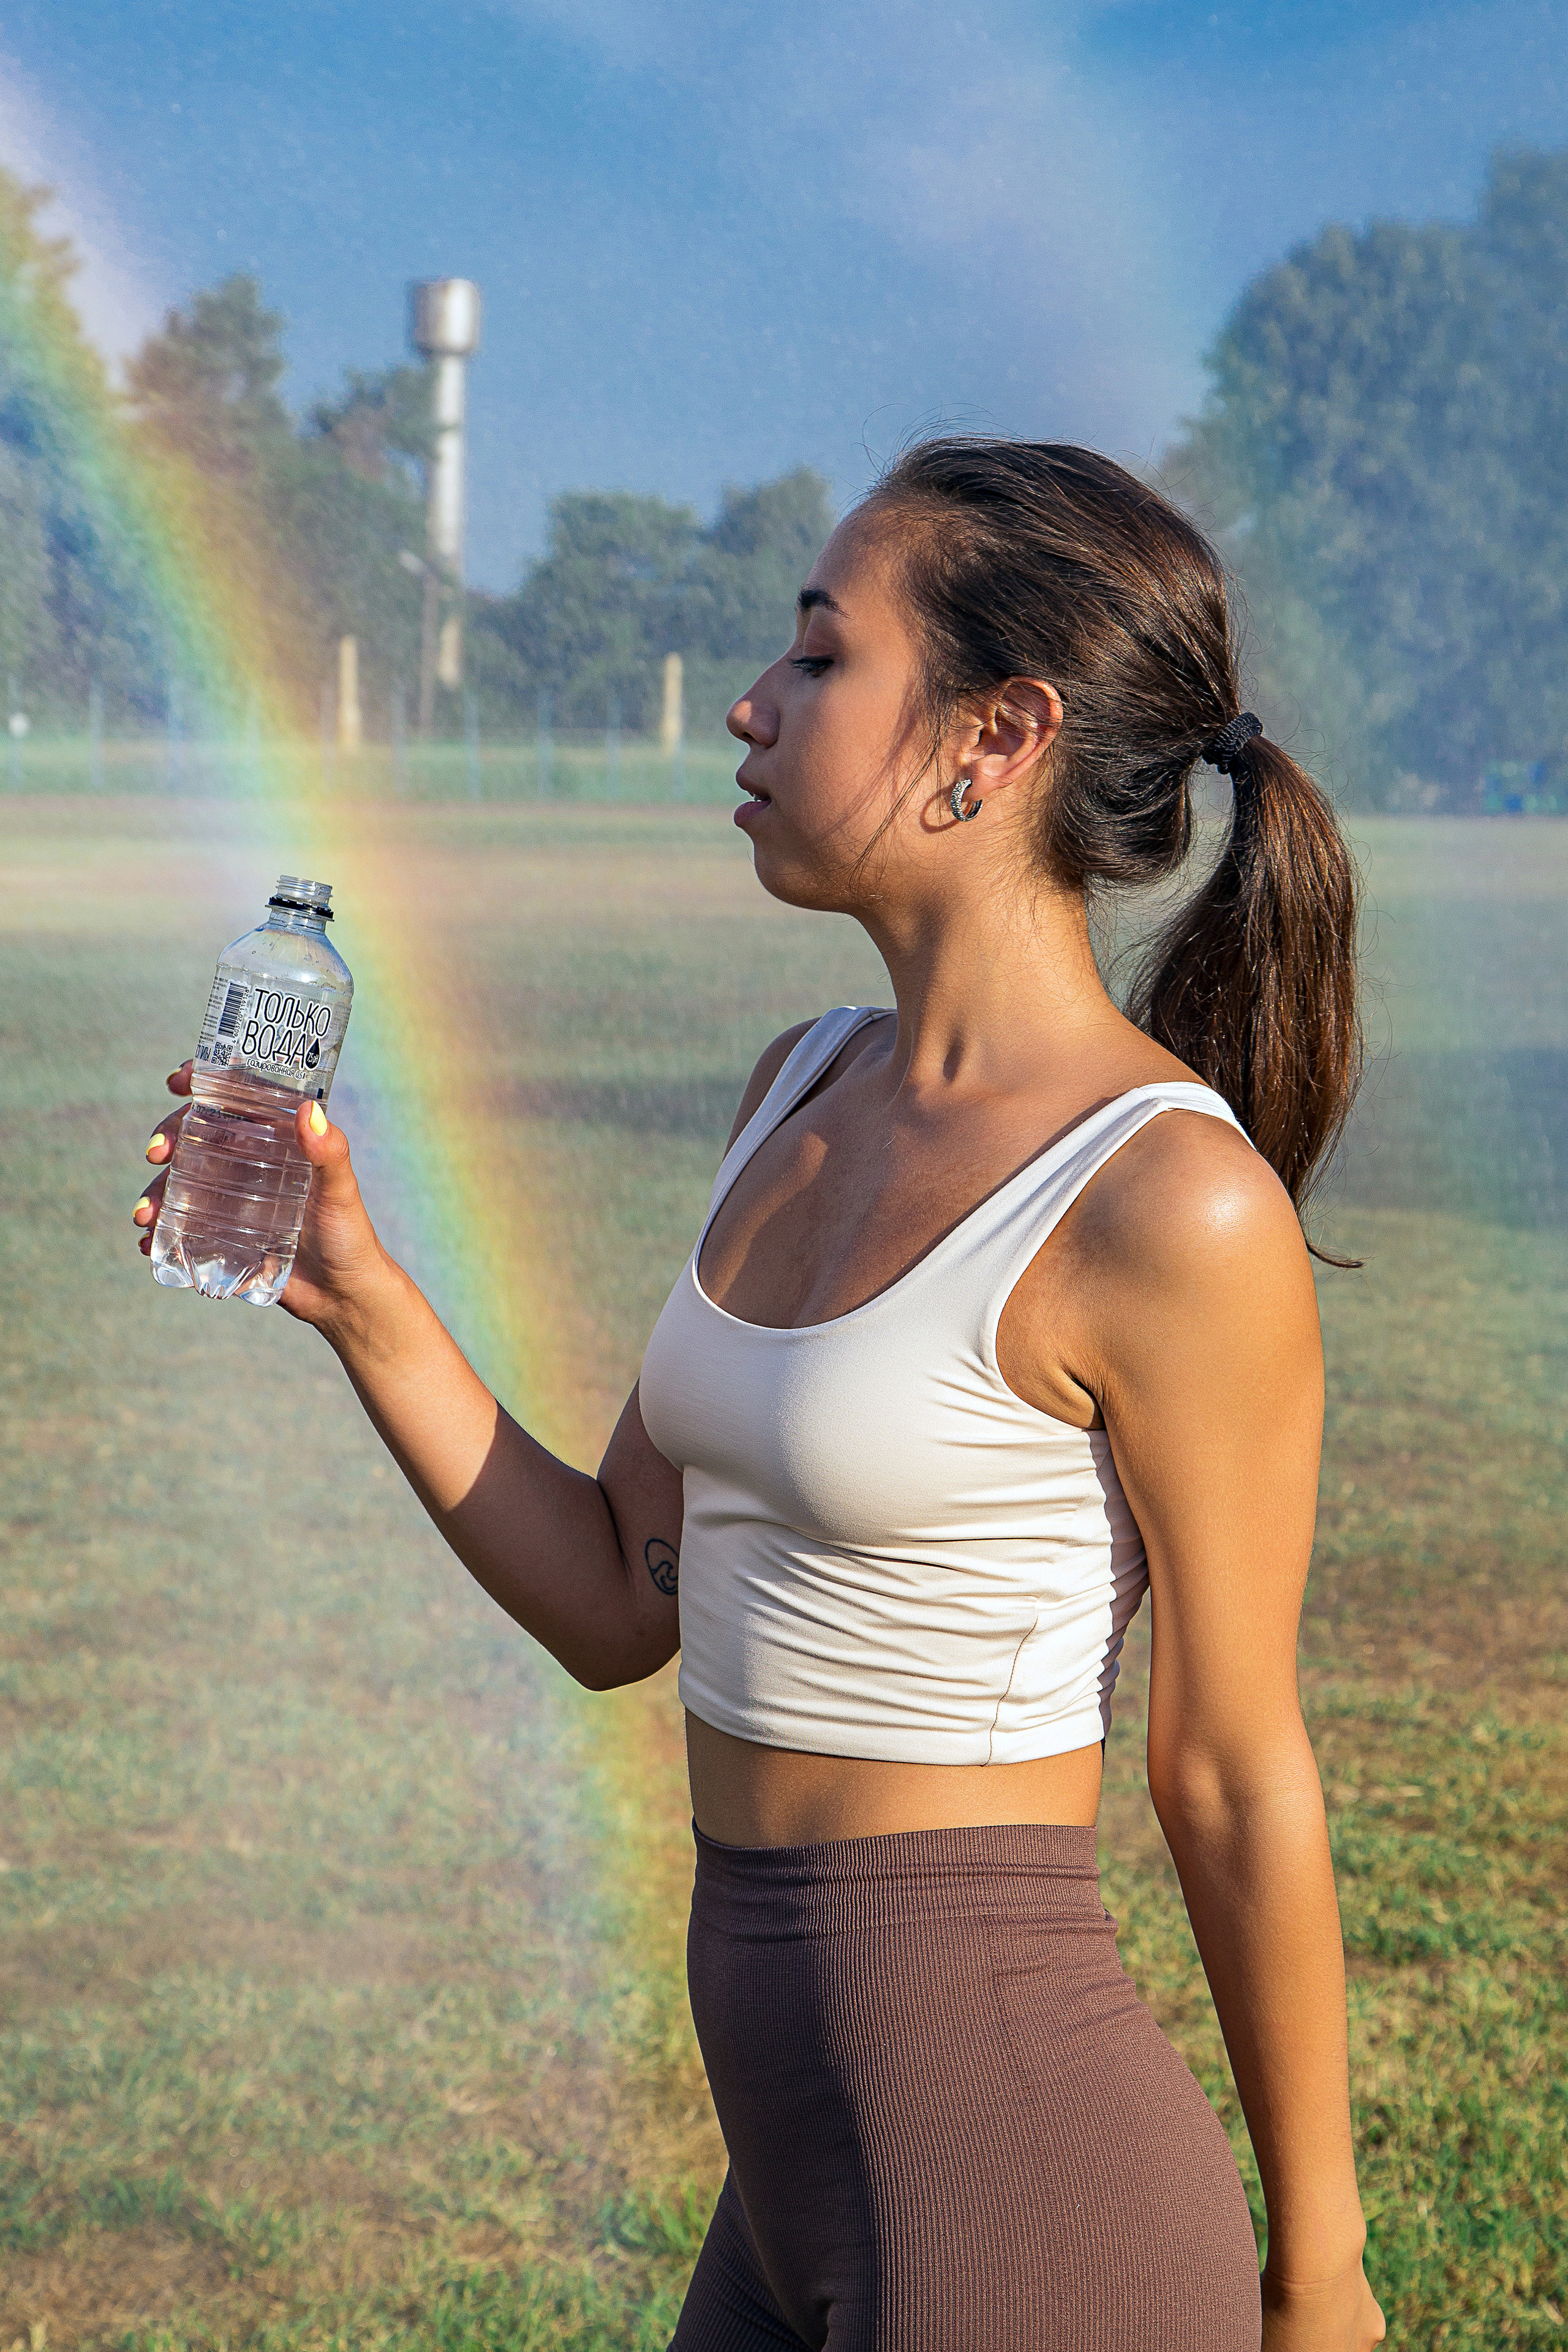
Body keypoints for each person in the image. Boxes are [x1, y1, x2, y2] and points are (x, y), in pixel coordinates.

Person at [134, 440, 1385, 2352]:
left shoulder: (1166, 1197)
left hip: (1019, 2178)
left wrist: (1327, 2281)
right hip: (794, 2171)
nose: (751, 701)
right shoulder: (798, 1090)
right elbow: (619, 1597)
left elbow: (1228, 1769)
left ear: (994, 737)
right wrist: (361, 1295)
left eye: (818, 656)